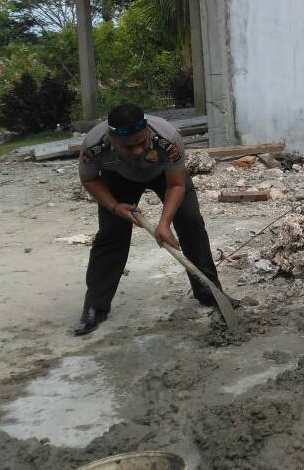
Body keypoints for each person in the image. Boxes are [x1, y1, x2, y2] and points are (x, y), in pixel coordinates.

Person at [75, 104, 231, 335]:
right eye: (129, 146)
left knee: (191, 223)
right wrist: (115, 207)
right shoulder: (94, 145)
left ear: (148, 130)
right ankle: (95, 307)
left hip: (164, 176)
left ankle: (209, 293)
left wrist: (164, 223)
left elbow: (176, 184)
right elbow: (89, 180)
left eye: (142, 142)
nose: (138, 150)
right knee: (111, 235)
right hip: (117, 178)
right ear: (112, 139)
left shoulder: (166, 137)